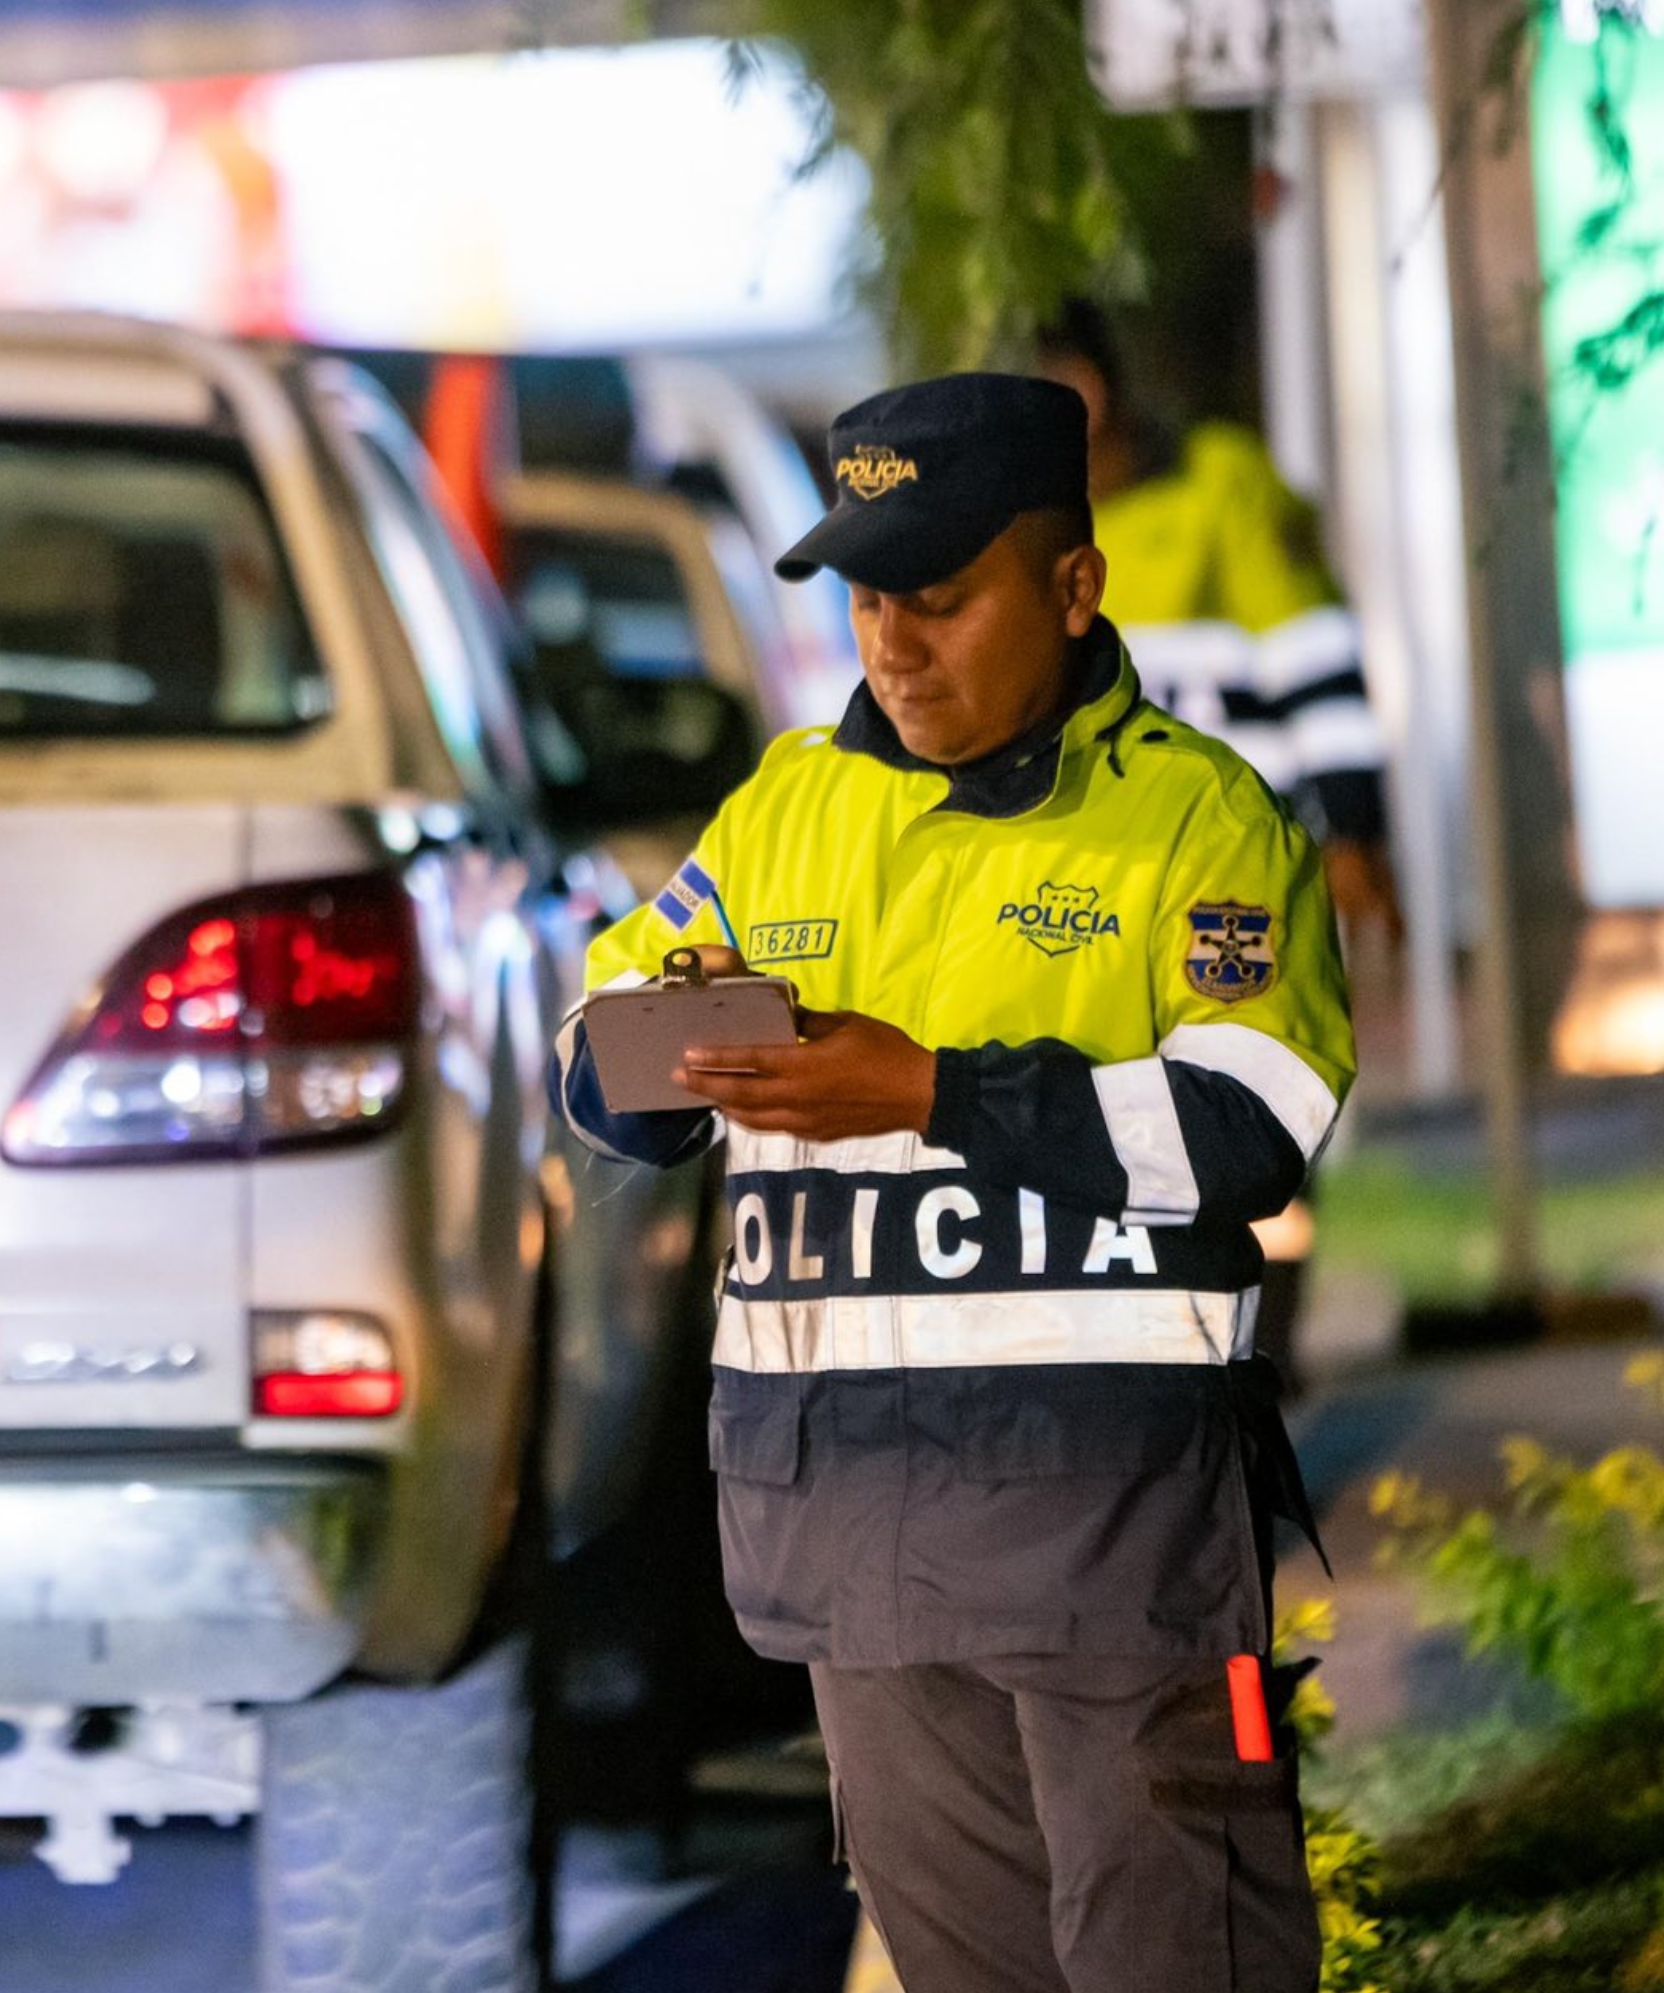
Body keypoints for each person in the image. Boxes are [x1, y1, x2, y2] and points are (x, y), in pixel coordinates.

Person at [554, 373, 1348, 1993]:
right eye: (861, 601)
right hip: (848, 1544)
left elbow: (1245, 1132)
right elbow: (592, 1062)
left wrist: (915, 1085)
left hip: (1103, 1537)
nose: (889, 647)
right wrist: (661, 1049)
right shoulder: (787, 810)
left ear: (1069, 587)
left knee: (1179, 1963)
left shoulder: (1193, 825)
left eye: (935, 599)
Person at [1032, 304, 1389, 1378]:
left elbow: (1317, 655)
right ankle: (1169, 1373)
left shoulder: (1222, 485)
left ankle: (1258, 1368)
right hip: (1105, 888)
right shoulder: (1034, 524)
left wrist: (1356, 830)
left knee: (1253, 1109)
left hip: (1240, 876)